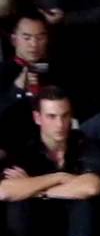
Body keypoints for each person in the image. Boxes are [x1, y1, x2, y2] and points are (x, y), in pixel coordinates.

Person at [0, 88, 100, 236]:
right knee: (19, 203)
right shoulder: (25, 148)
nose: (60, 124)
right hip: (39, 228)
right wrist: (58, 178)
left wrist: (36, 189)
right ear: (37, 118)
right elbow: (4, 190)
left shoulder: (82, 142)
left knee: (83, 199)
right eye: (52, 116)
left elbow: (92, 186)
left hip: (74, 231)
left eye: (65, 116)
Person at [0, 14, 59, 154]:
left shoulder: (56, 71)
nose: (33, 44)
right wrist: (17, 90)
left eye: (40, 38)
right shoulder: (2, 72)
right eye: (27, 38)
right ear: (14, 40)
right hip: (13, 148)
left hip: (52, 146)